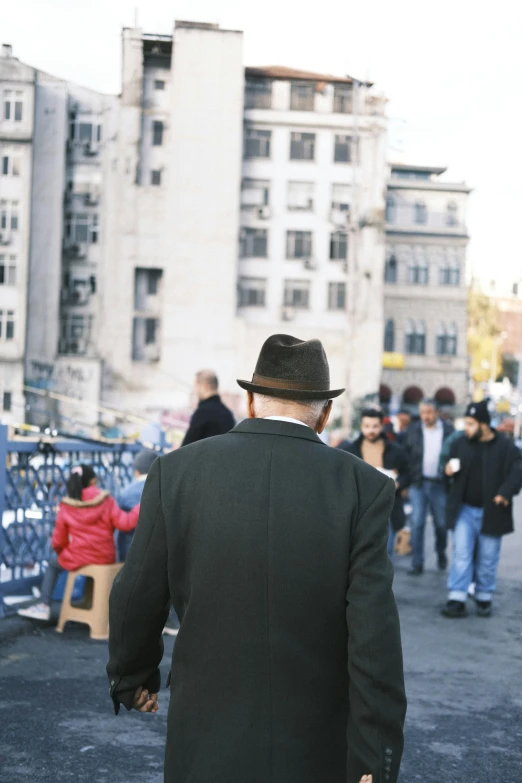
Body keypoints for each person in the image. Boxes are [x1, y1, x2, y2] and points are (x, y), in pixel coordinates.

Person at [107, 334, 406, 783]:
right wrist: (374, 757)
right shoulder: (363, 487)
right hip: (314, 741)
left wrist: (133, 676)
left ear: (249, 402)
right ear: (324, 414)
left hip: (205, 731)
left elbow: (135, 593)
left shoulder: (175, 472)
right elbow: (373, 636)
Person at [18, 464, 140, 622]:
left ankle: (43, 606)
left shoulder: (67, 505)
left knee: (53, 566)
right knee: (93, 571)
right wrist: (140, 506)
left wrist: (62, 552)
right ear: (93, 481)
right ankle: (94, 606)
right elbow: (125, 523)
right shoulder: (106, 500)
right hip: (104, 556)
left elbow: (58, 540)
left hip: (77, 556)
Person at [441, 400, 522, 618]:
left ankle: (484, 597)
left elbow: (518, 470)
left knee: (488, 558)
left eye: (470, 424)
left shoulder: (506, 447)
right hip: (463, 510)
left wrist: (506, 492)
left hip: (492, 511)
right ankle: (457, 597)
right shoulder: (461, 443)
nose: (466, 428)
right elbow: (448, 464)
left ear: (484, 425)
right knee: (461, 554)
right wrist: (447, 469)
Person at [338, 408, 410, 556]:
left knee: (385, 554)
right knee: (357, 553)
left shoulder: (395, 451)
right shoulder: (349, 451)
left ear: (381, 426)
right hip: (358, 509)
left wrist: (398, 483)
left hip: (387, 507)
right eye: (367, 426)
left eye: (375, 426)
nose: (371, 430)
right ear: (361, 426)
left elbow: (408, 473)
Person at [404, 399, 453, 575]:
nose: (425, 416)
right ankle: (417, 563)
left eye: (429, 412)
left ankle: (440, 552)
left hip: (440, 484)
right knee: (417, 522)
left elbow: (455, 455)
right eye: (423, 412)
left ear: (437, 412)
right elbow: (406, 455)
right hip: (418, 483)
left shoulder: (449, 431)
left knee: (441, 524)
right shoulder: (413, 429)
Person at [117, 448, 158, 562]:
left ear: (136, 471)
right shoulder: (166, 488)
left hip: (131, 550)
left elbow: (121, 523)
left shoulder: (127, 492)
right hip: (158, 549)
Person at [181, 370, 235, 446]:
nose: (195, 390)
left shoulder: (202, 413)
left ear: (204, 386)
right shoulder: (228, 414)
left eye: (196, 386)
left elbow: (185, 447)